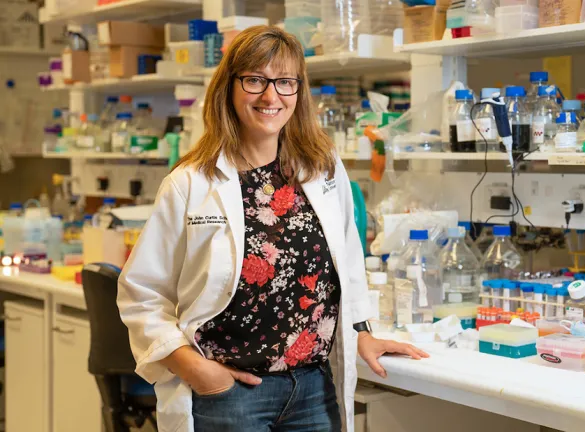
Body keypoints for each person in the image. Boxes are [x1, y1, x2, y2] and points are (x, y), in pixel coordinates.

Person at [117, 25, 428, 432]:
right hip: (230, 394)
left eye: (284, 82)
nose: (271, 96)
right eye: (255, 80)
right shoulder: (191, 183)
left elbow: (348, 262)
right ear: (229, 88)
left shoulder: (322, 167)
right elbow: (142, 293)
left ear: (299, 91)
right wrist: (192, 367)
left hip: (314, 388)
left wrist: (361, 333)